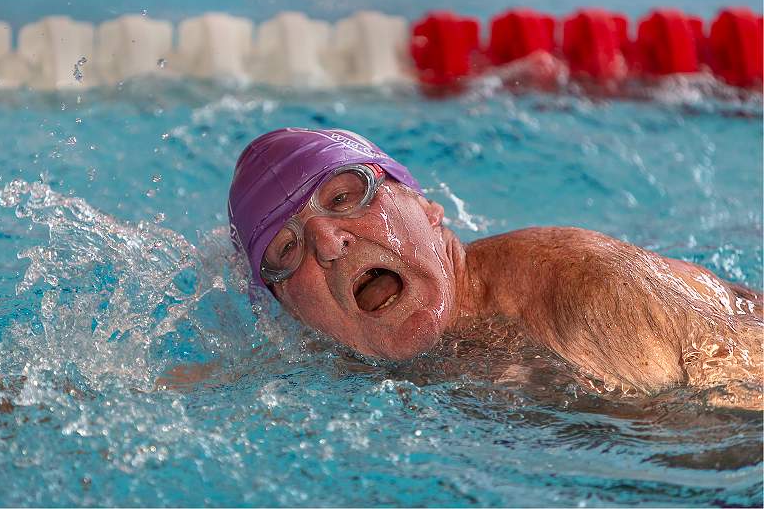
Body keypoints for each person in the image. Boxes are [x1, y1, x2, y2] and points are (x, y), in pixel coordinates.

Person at [227, 128, 762, 407]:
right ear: (293, 312)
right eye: (286, 251)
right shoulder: (346, 361)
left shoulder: (581, 291)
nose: (327, 241)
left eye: (345, 197)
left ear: (427, 208)